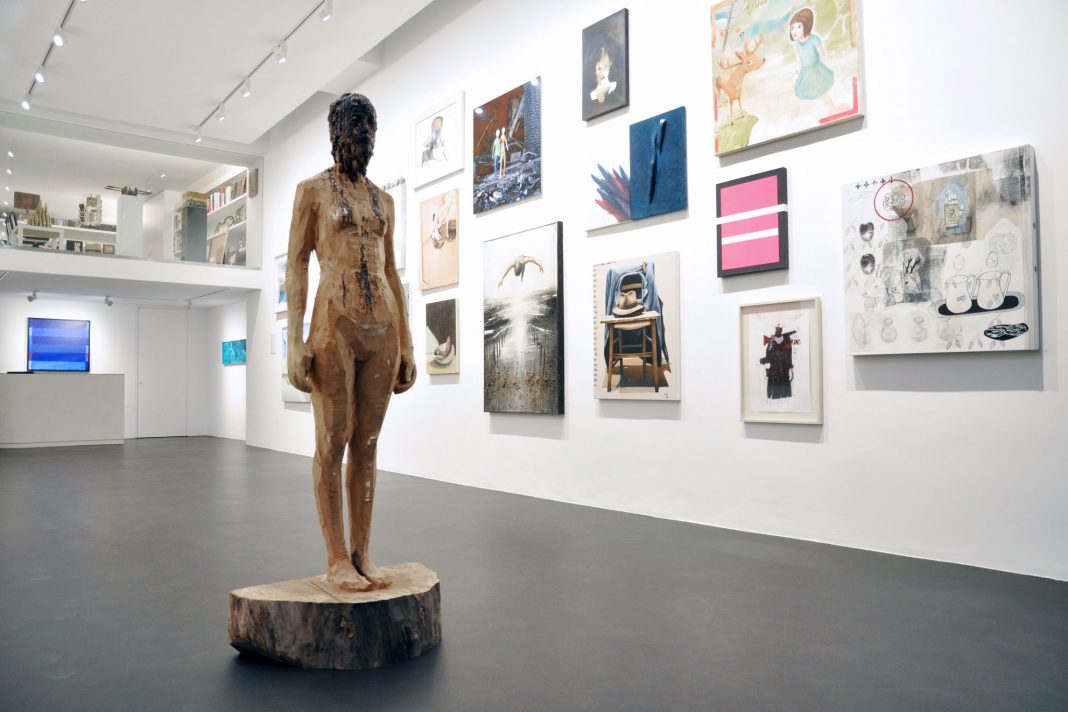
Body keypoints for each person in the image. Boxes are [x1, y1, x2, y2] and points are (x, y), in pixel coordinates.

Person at [286, 93, 416, 592]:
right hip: (333, 325)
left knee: (368, 442)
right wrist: (295, 340)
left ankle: (363, 552)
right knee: (332, 439)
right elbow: (297, 264)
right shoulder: (312, 192)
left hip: (381, 324)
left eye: (369, 129)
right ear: (335, 133)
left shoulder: (384, 201)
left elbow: (391, 271)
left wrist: (406, 343)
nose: (362, 136)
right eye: (354, 126)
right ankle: (336, 557)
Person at [789, 7, 835, 114]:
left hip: (815, 69)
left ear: (806, 26)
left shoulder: (814, 38)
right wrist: (797, 73)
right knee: (798, 94)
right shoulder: (797, 44)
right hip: (804, 72)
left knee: (820, 92)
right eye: (792, 28)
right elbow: (799, 60)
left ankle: (833, 109)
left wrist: (821, 69)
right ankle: (794, 118)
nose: (794, 31)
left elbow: (823, 54)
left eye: (798, 27)